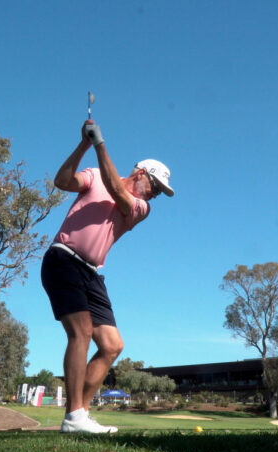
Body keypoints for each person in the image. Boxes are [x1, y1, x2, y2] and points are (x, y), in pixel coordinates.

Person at [41, 119, 173, 433]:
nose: (154, 195)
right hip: (63, 259)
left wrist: (99, 143)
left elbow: (117, 190)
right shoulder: (95, 176)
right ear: (141, 173)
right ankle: (74, 417)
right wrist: (84, 145)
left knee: (113, 345)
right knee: (81, 331)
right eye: (155, 186)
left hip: (92, 274)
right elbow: (61, 181)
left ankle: (79, 415)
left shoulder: (141, 208)